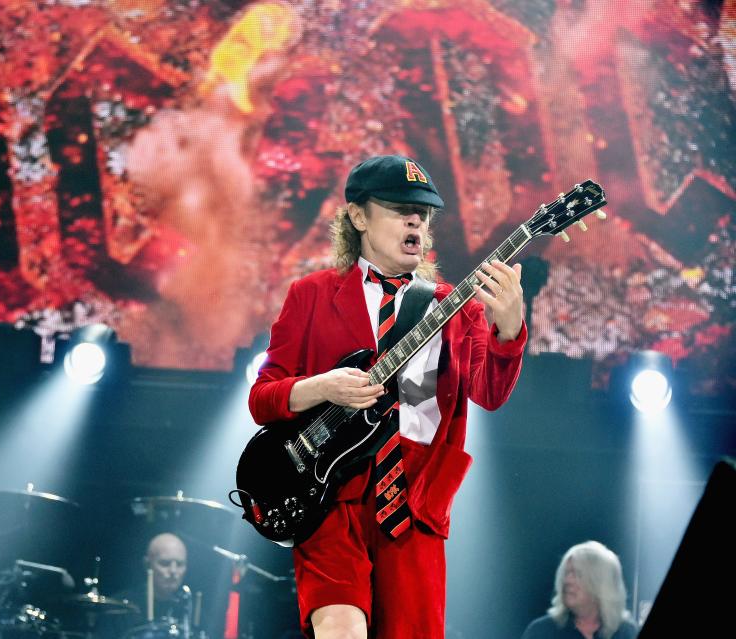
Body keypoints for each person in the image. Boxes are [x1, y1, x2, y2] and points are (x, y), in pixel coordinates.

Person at [248, 154, 527, 639]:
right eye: (399, 208)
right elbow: (262, 400)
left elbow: (490, 393)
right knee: (341, 630)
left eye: (422, 211)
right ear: (358, 217)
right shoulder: (311, 295)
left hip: (415, 504)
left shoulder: (454, 307)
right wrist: (323, 386)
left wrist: (510, 327)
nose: (415, 219)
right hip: (330, 498)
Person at [521, 541, 639, 639]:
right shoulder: (541, 632)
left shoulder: (627, 633)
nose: (567, 581)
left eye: (577, 574)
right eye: (566, 573)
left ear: (600, 583)